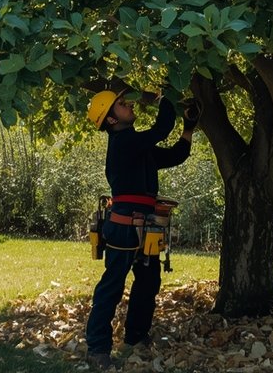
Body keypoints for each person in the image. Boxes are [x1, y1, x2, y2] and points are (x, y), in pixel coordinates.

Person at [83, 88, 197, 370]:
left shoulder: (137, 148)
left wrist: (189, 129)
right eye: (121, 105)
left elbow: (174, 156)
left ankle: (135, 335)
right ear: (111, 120)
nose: (129, 105)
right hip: (124, 224)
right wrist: (161, 98)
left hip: (144, 224)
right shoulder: (124, 143)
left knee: (148, 282)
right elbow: (161, 127)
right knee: (113, 284)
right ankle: (97, 348)